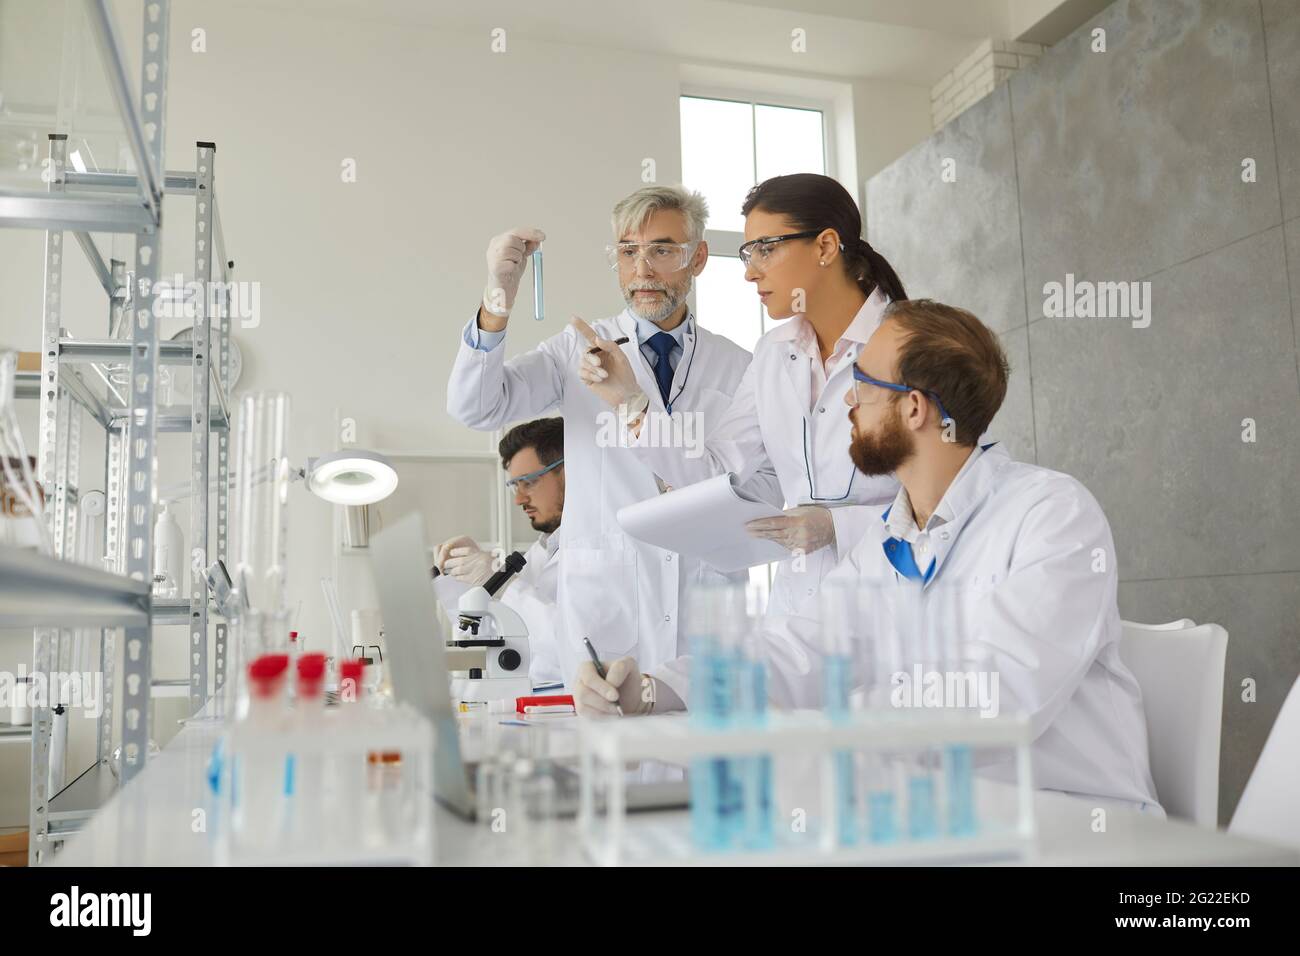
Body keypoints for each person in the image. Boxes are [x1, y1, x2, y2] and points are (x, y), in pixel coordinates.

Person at [576, 298, 1162, 814]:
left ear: (915, 409)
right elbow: (796, 652)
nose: (848, 398)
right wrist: (653, 690)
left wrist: (819, 729)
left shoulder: (1051, 514)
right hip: (941, 814)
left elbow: (998, 697)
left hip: (1072, 822)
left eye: (863, 380)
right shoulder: (893, 539)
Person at [446, 184, 781, 700]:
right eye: (629, 252)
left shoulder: (738, 367)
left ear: (698, 258)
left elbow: (743, 487)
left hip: (703, 618)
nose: (643, 270)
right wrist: (497, 301)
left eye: (662, 250)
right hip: (605, 619)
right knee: (610, 771)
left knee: (702, 767)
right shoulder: (575, 349)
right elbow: (476, 405)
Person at [577, 173, 907, 619]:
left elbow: (955, 496)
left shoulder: (912, 343)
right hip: (800, 614)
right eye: (748, 253)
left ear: (826, 247)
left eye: (765, 249)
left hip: (895, 601)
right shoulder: (774, 354)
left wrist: (839, 525)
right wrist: (631, 404)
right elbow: (717, 472)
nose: (751, 270)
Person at [434, 417, 566, 685]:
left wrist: (505, 586)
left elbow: (572, 644)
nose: (519, 499)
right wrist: (456, 581)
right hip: (530, 703)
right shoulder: (537, 553)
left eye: (528, 482)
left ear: (567, 471)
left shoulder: (600, 552)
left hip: (578, 710)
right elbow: (491, 633)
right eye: (514, 486)